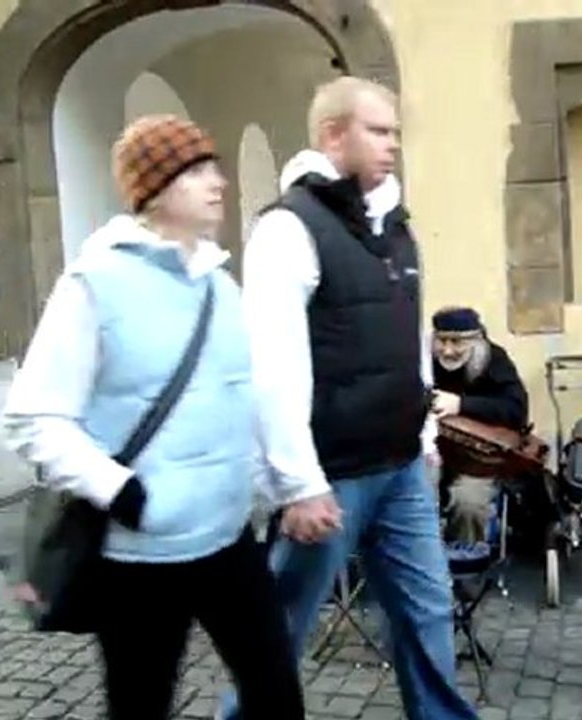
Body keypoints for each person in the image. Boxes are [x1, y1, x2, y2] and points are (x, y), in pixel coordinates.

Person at [0, 115, 304, 720]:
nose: (217, 181)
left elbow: (242, 400)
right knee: (141, 706)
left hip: (228, 539)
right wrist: (121, 491)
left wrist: (277, 485)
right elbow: (33, 416)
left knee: (276, 697)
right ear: (154, 189)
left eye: (213, 166)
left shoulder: (221, 287)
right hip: (141, 556)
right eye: (195, 171)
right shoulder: (94, 285)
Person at [221, 76, 477, 720]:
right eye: (379, 131)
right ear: (334, 134)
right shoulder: (288, 229)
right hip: (330, 478)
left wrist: (423, 442)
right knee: (280, 632)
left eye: (396, 132)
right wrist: (298, 483)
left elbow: (410, 343)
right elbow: (270, 364)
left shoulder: (396, 227)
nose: (394, 145)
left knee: (428, 617)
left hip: (400, 470)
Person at [430, 306, 528, 543]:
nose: (448, 350)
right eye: (441, 341)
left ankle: (467, 567)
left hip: (477, 461)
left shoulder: (495, 360)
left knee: (468, 505)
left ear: (476, 340)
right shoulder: (424, 361)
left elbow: (516, 410)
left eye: (457, 342)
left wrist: (461, 405)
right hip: (431, 452)